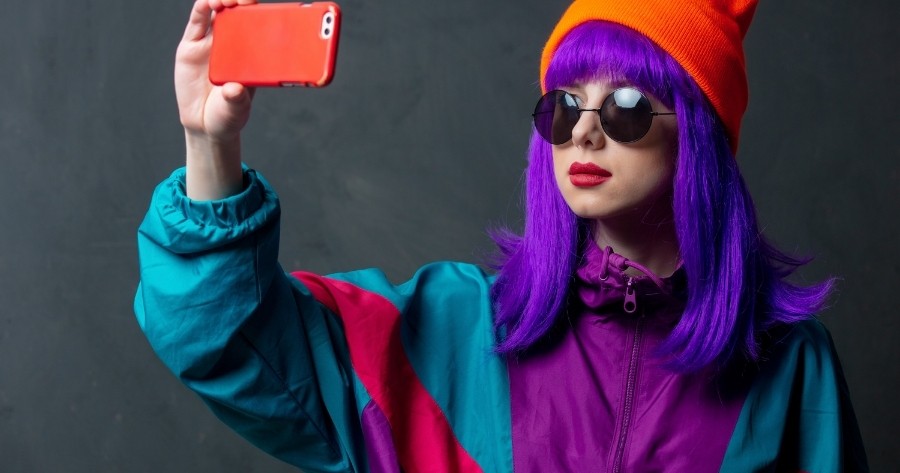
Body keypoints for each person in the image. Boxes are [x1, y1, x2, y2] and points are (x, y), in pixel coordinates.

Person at [135, 0, 869, 471]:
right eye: (563, 105)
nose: (583, 132)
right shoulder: (457, 328)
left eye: (625, 106)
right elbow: (229, 338)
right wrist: (209, 143)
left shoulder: (789, 367)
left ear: (700, 139)